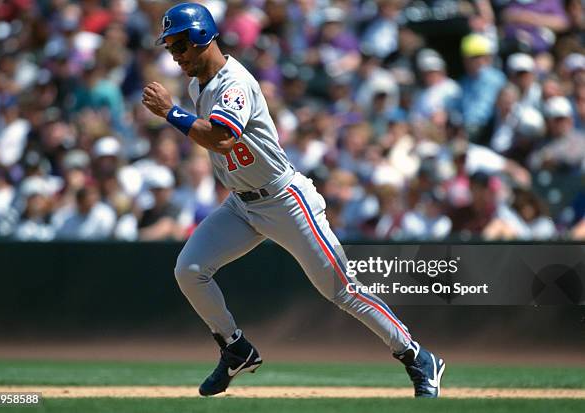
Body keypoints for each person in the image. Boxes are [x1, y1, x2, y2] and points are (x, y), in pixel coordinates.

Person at [142, 3, 445, 398]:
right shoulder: (199, 85)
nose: (176, 56)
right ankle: (235, 349)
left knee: (341, 289)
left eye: (180, 45)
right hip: (242, 203)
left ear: (203, 36)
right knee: (190, 269)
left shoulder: (233, 82)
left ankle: (418, 357)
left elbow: (222, 137)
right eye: (170, 48)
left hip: (284, 199)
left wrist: (170, 113)